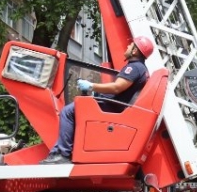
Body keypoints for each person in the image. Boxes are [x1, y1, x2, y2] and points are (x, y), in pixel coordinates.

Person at [41, 36, 154, 164]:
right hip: (112, 105)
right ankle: (63, 151)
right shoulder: (142, 69)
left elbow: (117, 88)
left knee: (67, 112)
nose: (127, 47)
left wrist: (91, 85)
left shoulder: (134, 68)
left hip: (108, 106)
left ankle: (62, 154)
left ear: (134, 51)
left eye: (130, 45)